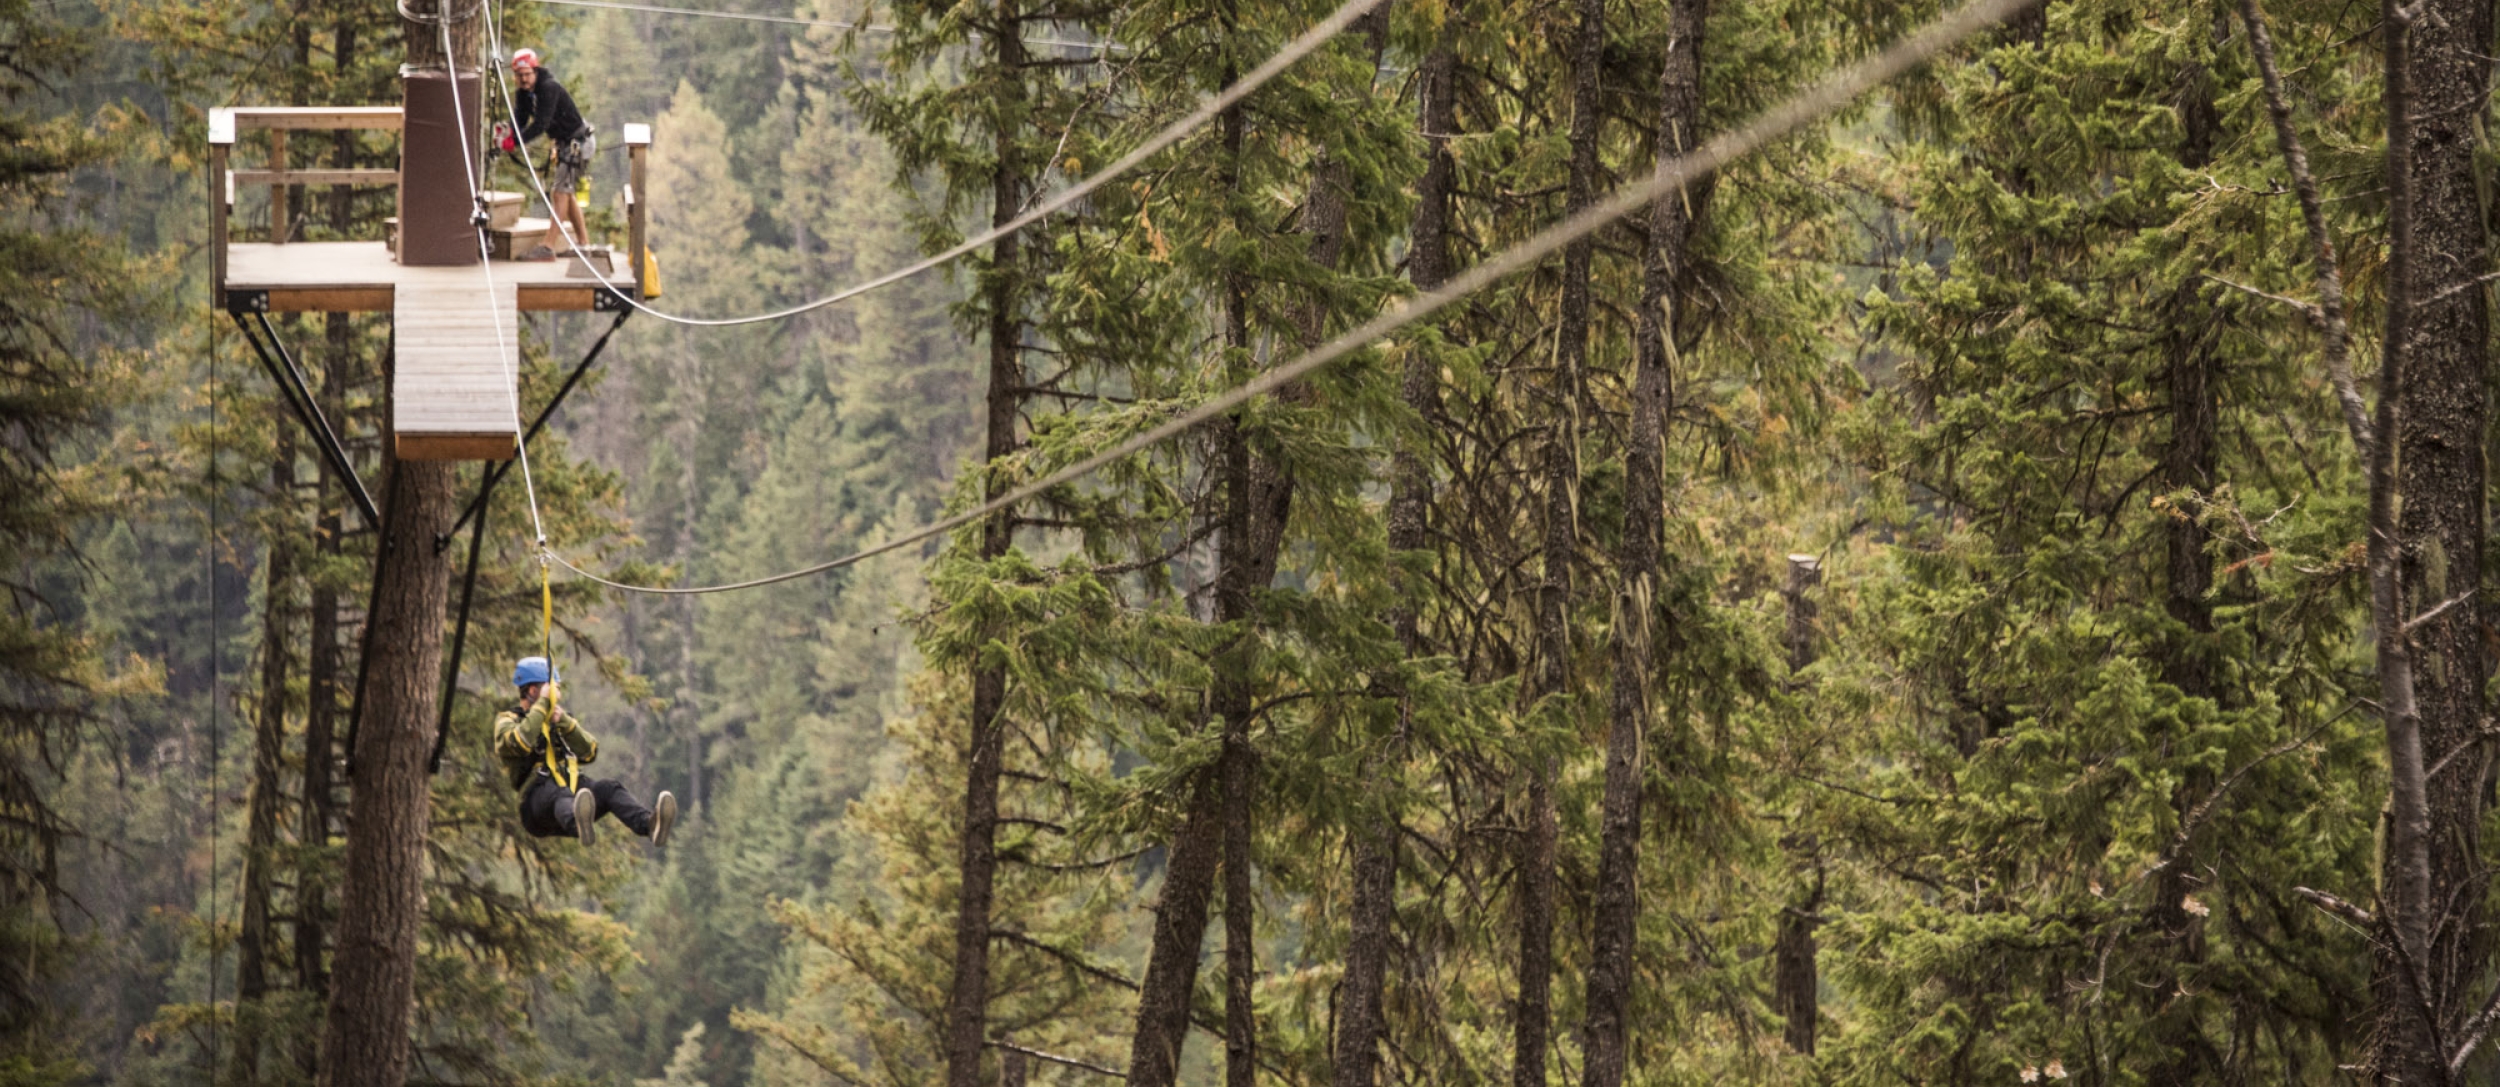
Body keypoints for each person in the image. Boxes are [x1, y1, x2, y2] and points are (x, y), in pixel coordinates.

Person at [494, 656, 677, 847]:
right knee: (556, 791)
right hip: (535, 806)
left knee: (609, 788)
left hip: (569, 798)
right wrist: (541, 707)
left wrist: (564, 721)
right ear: (533, 690)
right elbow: (519, 742)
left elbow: (589, 752)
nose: (557, 696)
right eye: (553, 690)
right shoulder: (508, 721)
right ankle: (577, 822)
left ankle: (649, 824)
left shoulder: (558, 721)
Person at [504, 48, 595, 261]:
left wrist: (515, 141)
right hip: (567, 143)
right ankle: (584, 244)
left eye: (527, 74)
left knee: (560, 192)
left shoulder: (548, 88)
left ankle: (548, 246)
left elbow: (541, 124)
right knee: (566, 192)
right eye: (519, 75)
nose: (524, 79)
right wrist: (508, 134)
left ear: (535, 71)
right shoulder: (526, 93)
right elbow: (520, 118)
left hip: (578, 142)